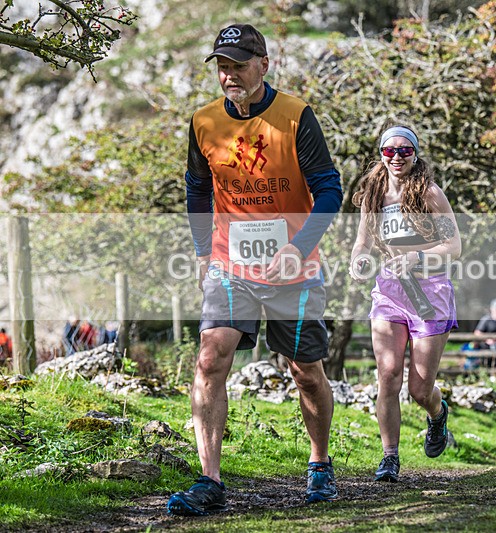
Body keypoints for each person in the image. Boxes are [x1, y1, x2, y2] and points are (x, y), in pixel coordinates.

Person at [167, 24, 343, 516]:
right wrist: (203, 251)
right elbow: (197, 188)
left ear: (263, 65)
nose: (229, 76)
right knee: (210, 357)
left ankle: (320, 462)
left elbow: (330, 189)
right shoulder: (203, 122)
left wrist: (298, 248)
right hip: (231, 263)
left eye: (239, 66)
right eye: (222, 67)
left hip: (294, 268)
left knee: (305, 372)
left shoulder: (296, 116)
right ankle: (210, 479)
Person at [349, 124, 461, 483]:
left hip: (430, 293)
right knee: (387, 375)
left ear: (415, 154)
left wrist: (416, 257)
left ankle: (437, 414)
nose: (396, 157)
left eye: (404, 150)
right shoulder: (373, 194)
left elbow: (454, 247)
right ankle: (390, 456)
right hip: (389, 293)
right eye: (389, 150)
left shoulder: (430, 193)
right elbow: (362, 242)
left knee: (419, 390)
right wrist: (359, 260)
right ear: (381, 154)